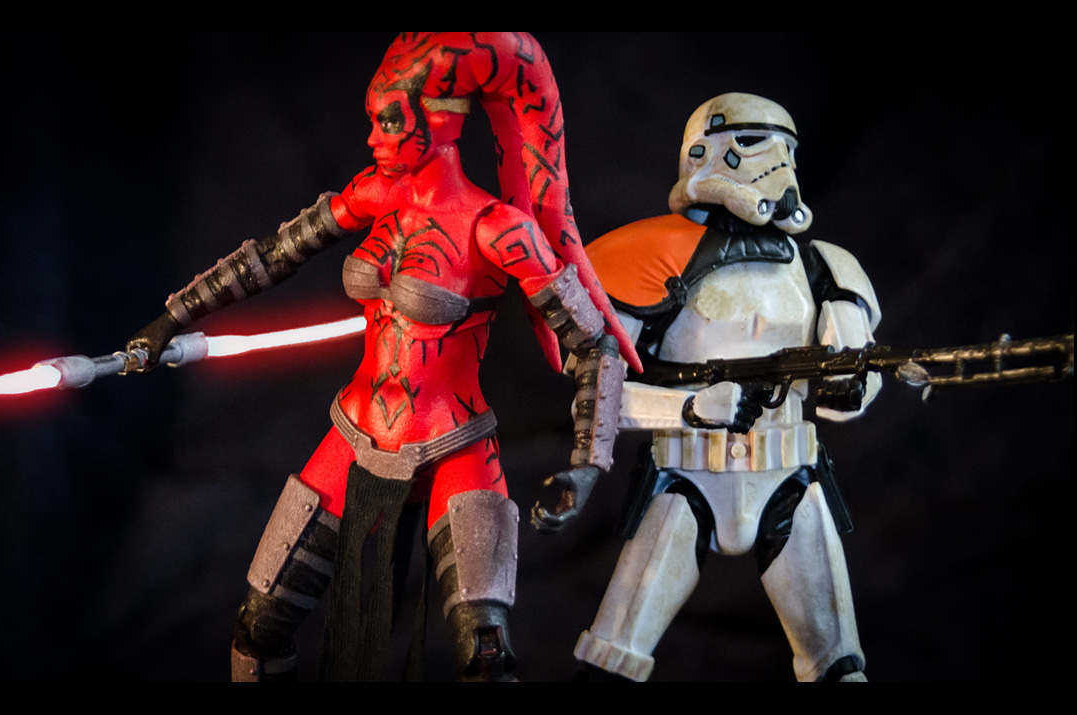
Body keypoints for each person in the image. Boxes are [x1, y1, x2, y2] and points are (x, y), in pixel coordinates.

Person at [122, 32, 637, 682]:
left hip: (454, 444)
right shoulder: (370, 195)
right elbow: (267, 259)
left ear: (440, 121)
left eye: (388, 120)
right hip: (353, 432)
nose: (372, 137)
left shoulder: (498, 228)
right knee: (259, 624)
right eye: (373, 120)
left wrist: (587, 465)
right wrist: (170, 319)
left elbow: (591, 341)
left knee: (484, 653)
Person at [570, 93, 880, 682]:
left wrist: (852, 386)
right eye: (755, 143)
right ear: (702, 154)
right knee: (613, 656)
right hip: (685, 476)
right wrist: (691, 408)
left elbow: (852, 392)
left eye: (786, 148)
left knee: (838, 664)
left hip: (789, 476)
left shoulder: (823, 269)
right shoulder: (649, 255)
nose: (778, 162)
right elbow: (597, 402)